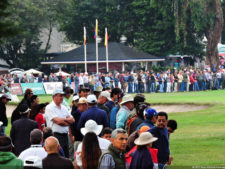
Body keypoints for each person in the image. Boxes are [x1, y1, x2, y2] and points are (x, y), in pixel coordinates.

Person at [44, 89, 75, 158]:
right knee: (57, 157)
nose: (62, 97)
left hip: (65, 136)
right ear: (54, 97)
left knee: (66, 157)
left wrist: (63, 120)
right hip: (55, 136)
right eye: (60, 96)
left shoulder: (63, 107)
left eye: (62, 96)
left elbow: (73, 120)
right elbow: (58, 121)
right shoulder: (49, 107)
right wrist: (67, 121)